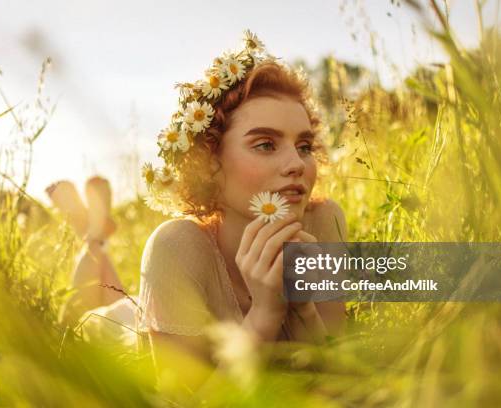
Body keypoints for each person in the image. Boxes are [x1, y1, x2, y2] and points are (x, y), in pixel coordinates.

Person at [137, 30, 348, 389]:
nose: (297, 163)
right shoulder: (174, 248)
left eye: (304, 145)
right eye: (265, 144)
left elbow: (336, 381)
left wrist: (302, 308)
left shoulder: (324, 221)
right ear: (209, 165)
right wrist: (264, 316)